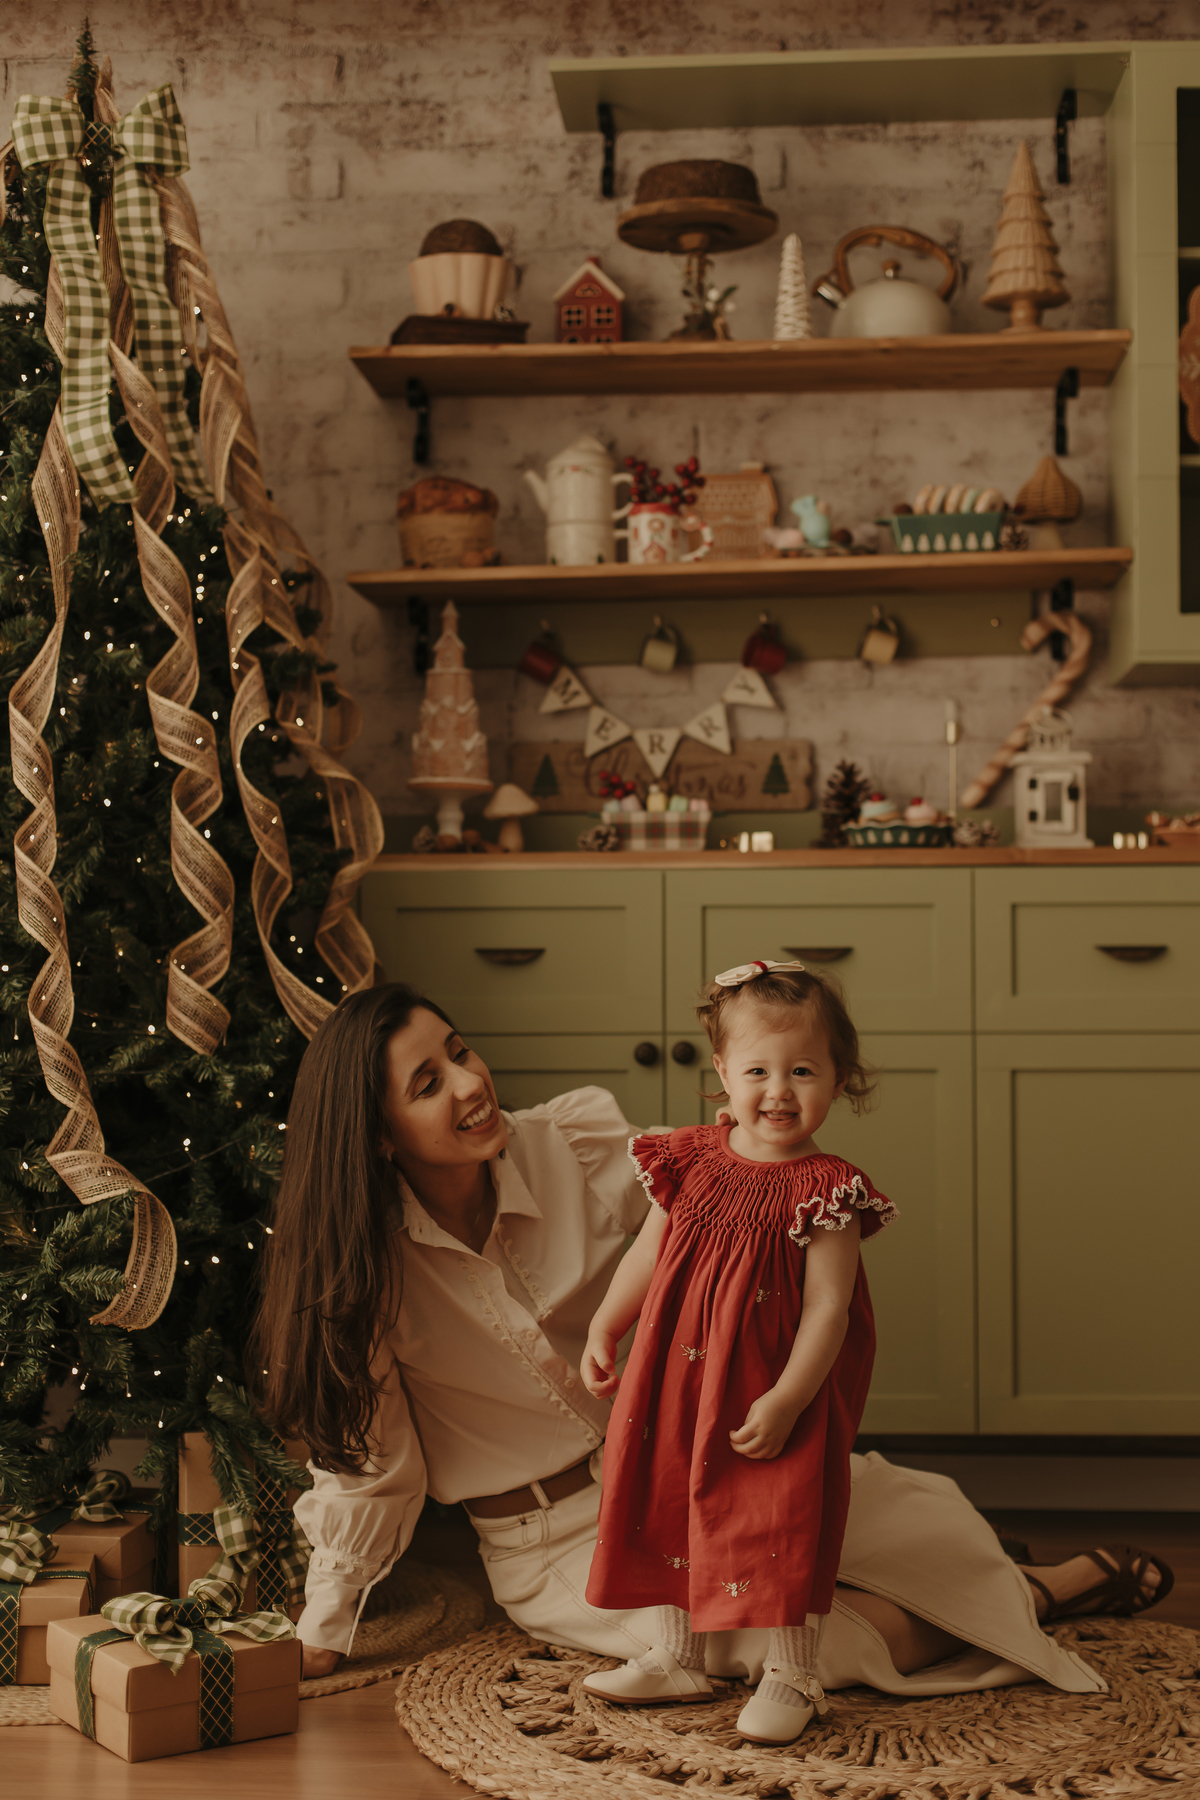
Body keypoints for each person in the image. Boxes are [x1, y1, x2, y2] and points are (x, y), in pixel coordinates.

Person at [250, 983, 1167, 1698]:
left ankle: (971, 1572)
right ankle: (1043, 1592)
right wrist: (324, 1627)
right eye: (427, 1083)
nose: (468, 1083)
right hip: (553, 1539)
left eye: (458, 1051)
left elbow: (719, 1169)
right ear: (378, 1137)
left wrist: (773, 1098)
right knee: (802, 1650)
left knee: (925, 1520)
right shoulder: (364, 1279)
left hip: (695, 1466)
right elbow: (373, 1469)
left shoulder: (570, 1144)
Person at [580, 959, 894, 1744]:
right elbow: (647, 1253)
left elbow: (829, 1310)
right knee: (667, 1496)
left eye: (802, 1071)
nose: (778, 1090)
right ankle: (678, 1656)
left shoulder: (827, 1190)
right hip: (676, 1377)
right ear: (722, 1072)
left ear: (839, 1078)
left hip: (771, 1385)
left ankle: (793, 1674)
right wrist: (605, 1326)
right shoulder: (689, 1159)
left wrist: (788, 1399)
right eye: (758, 1070)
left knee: (779, 1518)